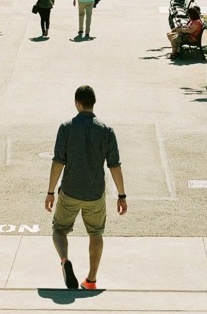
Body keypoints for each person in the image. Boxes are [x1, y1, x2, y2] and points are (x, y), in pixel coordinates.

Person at [45, 85, 127, 291]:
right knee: (96, 233)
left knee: (59, 229)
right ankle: (91, 280)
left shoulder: (66, 127)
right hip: (95, 193)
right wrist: (121, 195)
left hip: (70, 191)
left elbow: (58, 162)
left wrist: (50, 191)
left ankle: (64, 260)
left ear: (77, 103)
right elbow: (114, 165)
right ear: (93, 103)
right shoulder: (106, 131)